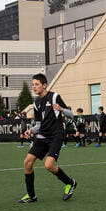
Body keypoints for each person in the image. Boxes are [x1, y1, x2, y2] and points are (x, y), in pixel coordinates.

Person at [17, 73, 78, 204]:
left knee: (48, 165)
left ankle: (70, 183)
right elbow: (39, 125)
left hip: (56, 135)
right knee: (27, 162)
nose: (34, 87)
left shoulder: (54, 97)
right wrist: (30, 130)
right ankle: (31, 195)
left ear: (44, 85)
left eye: (37, 84)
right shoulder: (36, 103)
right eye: (33, 84)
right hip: (42, 136)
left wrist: (61, 109)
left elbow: (71, 115)